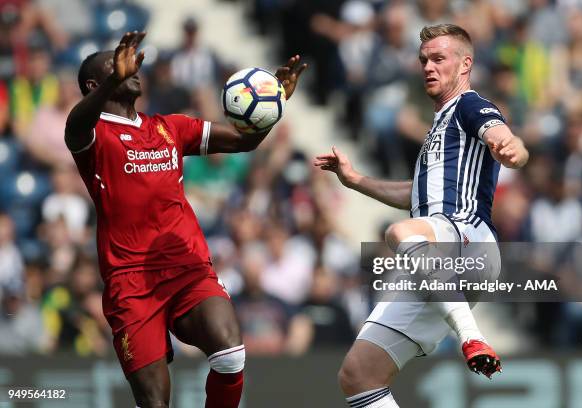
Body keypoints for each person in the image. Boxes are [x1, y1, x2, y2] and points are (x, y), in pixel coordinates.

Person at [64, 31, 306, 408]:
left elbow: (244, 142)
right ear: (95, 83)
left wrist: (269, 108)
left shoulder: (169, 127)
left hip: (187, 265)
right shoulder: (93, 135)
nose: (132, 67)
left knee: (230, 355)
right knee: (155, 402)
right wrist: (111, 82)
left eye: (131, 61)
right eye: (116, 64)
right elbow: (74, 126)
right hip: (131, 282)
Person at [315, 24, 529, 407]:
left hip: (469, 240)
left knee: (400, 232)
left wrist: (511, 146)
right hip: (436, 255)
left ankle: (469, 335)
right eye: (423, 60)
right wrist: (355, 180)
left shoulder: (468, 105)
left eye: (438, 58)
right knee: (358, 375)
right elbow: (412, 194)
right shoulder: (437, 128)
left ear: (465, 65)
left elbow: (500, 133)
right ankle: (466, 332)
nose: (428, 66)